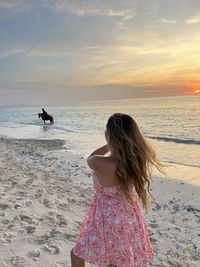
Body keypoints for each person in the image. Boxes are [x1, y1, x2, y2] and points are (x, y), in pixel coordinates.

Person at [71, 113, 164, 267]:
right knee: (121, 260)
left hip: (106, 218)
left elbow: (91, 157)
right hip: (128, 216)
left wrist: (109, 144)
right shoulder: (134, 162)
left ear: (110, 136)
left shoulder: (98, 162)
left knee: (77, 254)